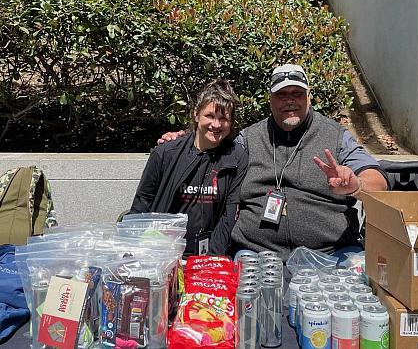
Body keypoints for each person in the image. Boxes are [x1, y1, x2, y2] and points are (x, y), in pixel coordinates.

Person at [158, 64, 388, 261]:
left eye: (297, 93)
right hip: (255, 253)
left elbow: (378, 181)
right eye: (281, 94)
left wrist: (355, 185)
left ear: (309, 97)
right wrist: (182, 143)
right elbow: (211, 150)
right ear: (270, 100)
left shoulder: (336, 136)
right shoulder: (249, 138)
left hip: (329, 254)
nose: (289, 100)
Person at [129, 79, 248, 257]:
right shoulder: (167, 153)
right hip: (163, 252)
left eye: (223, 118)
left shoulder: (236, 157)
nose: (216, 125)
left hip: (210, 254)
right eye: (209, 116)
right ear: (196, 115)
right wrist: (134, 252)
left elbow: (229, 217)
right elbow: (142, 205)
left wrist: (210, 261)